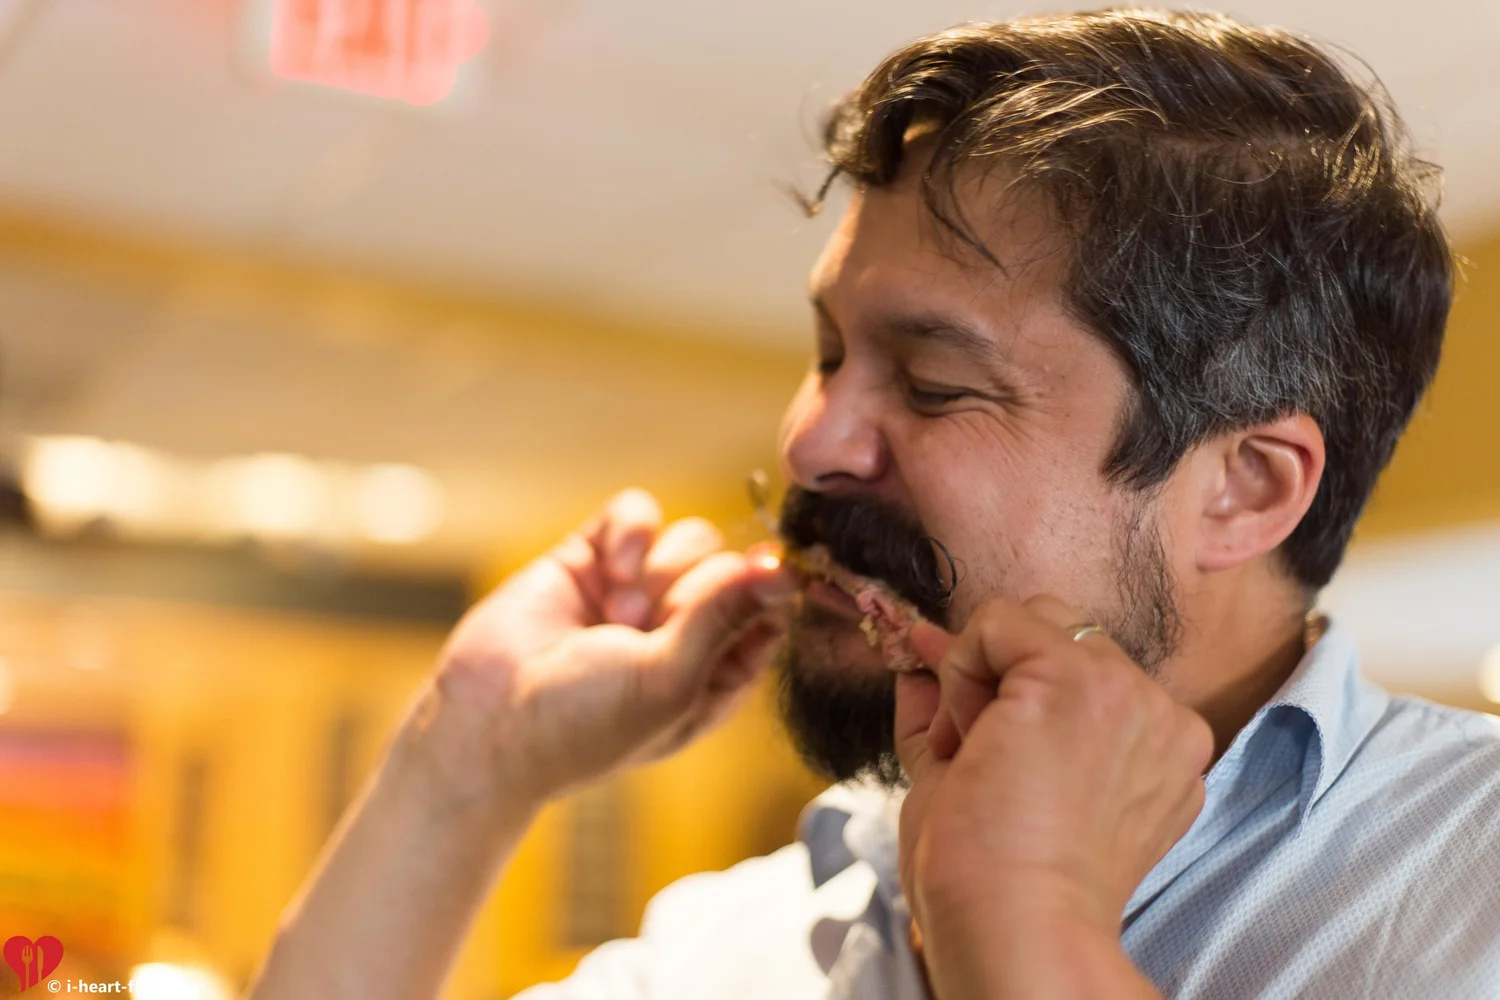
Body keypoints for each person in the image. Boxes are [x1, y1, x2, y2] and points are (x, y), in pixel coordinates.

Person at [246, 9, 1500, 999]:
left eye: (936, 382)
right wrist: (463, 764)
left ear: (1243, 487)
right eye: (829, 353)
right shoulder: (765, 926)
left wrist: (1026, 929)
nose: (809, 440)